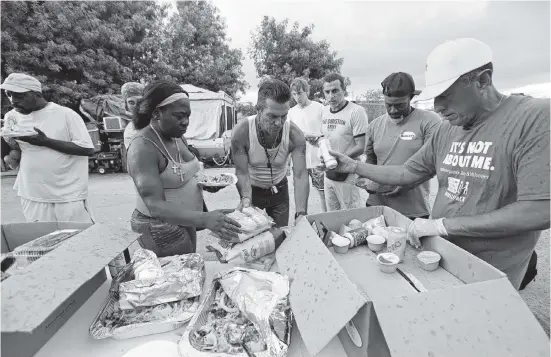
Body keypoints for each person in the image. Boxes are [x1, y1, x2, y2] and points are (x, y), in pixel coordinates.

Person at [327, 38, 549, 290]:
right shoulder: (447, 130)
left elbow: (540, 210)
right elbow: (408, 171)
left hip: (494, 269)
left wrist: (442, 225)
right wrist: (355, 166)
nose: (438, 107)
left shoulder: (534, 119)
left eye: (446, 95)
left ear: (483, 81)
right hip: (441, 255)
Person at [126, 80, 241, 257]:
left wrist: (204, 184)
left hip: (185, 218)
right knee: (178, 274)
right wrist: (205, 218)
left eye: (188, 116)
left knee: (189, 263)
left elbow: (183, 174)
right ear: (157, 113)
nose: (185, 122)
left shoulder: (176, 136)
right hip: (160, 226)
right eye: (179, 116)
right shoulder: (143, 147)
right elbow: (155, 206)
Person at [1, 73, 95, 223]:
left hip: (68, 194)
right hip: (32, 192)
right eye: (9, 95)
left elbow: (88, 149)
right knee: (43, 240)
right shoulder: (11, 116)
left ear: (36, 94)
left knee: (78, 239)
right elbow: (13, 150)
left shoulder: (65, 114)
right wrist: (5, 141)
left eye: (19, 96)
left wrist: (46, 141)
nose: (13, 101)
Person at [231, 78, 309, 226]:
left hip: (280, 192)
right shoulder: (242, 132)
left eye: (284, 116)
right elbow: (241, 172)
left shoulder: (295, 134)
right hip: (252, 192)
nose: (279, 123)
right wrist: (246, 199)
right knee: (254, 240)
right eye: (272, 116)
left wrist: (301, 213)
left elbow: (300, 174)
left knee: (280, 238)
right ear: (258, 110)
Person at [363, 72, 441, 220]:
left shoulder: (429, 121)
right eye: (388, 105)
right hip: (376, 206)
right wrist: (369, 181)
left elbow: (433, 163)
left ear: (411, 98)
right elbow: (371, 159)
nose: (393, 110)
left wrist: (406, 185)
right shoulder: (374, 125)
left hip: (413, 210)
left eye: (399, 105)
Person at [320, 72, 368, 211]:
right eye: (327, 92)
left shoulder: (356, 111)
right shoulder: (324, 111)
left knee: (352, 217)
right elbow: (326, 139)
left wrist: (340, 158)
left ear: (344, 90)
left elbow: (361, 146)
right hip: (329, 174)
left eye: (335, 91)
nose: (331, 95)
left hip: (348, 175)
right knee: (332, 215)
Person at [288, 77, 327, 212]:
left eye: (300, 93)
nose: (297, 97)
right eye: (294, 94)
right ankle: (302, 221)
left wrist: (318, 137)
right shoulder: (290, 112)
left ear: (307, 92)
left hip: (318, 159)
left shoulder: (320, 108)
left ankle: (326, 223)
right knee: (300, 195)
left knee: (323, 193)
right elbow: (288, 137)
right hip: (299, 161)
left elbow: (327, 132)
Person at [122, 82, 145, 149]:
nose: (136, 106)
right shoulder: (130, 131)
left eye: (140, 101)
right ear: (126, 105)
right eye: (131, 102)